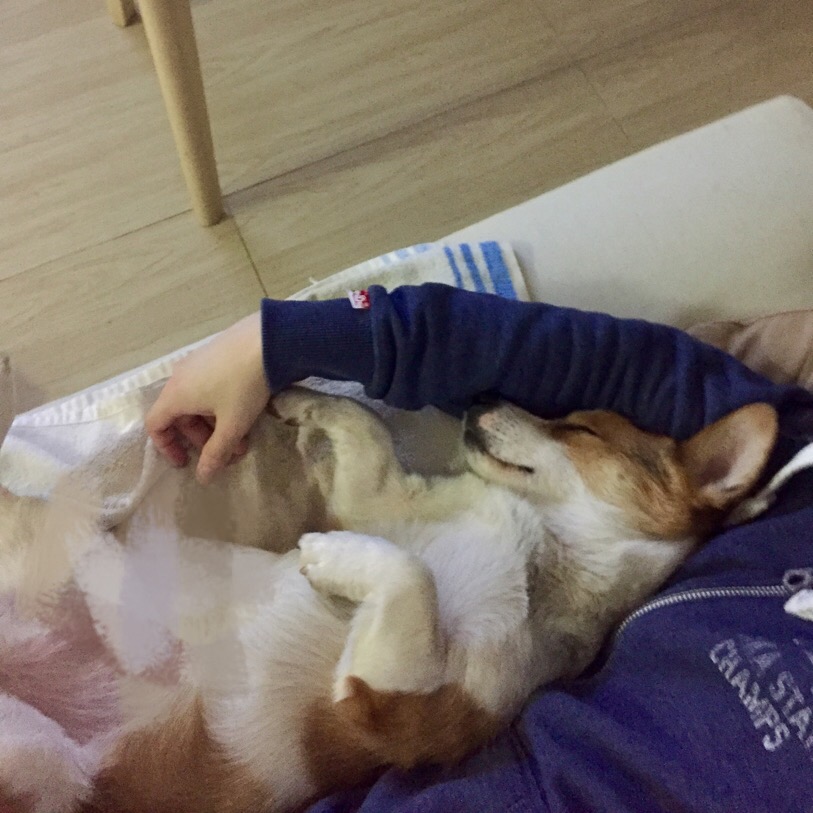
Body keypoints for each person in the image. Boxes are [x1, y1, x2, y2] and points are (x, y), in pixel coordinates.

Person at [147, 285, 813, 812]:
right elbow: (608, 360)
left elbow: (394, 716)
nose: (550, 426)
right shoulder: (792, 479)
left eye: (577, 431)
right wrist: (284, 340)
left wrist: (395, 582)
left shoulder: (529, 652)